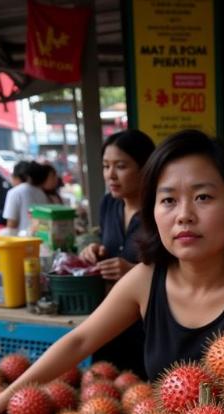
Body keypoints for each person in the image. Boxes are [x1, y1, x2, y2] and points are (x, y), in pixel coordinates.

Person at [0, 128, 224, 414]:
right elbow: (79, 339)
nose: (184, 215)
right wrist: (7, 395)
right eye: (168, 200)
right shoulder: (146, 278)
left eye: (203, 197)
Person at [80, 129, 156, 377]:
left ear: (145, 167)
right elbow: (108, 244)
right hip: (111, 317)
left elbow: (180, 271)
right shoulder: (109, 204)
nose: (110, 175)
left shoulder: (161, 211)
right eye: (105, 166)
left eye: (121, 166)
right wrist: (95, 250)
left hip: (148, 323)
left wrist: (134, 272)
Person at [2, 161, 47, 234]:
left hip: (21, 241)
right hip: (40, 240)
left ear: (16, 177)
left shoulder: (14, 192)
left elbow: (11, 225)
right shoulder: (41, 193)